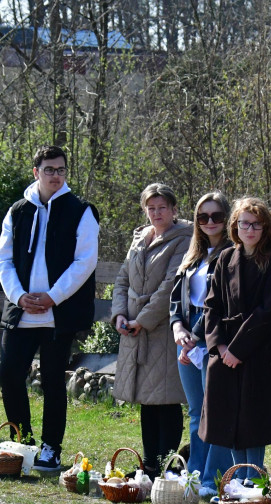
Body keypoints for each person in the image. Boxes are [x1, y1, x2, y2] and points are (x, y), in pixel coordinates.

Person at [0, 145, 99, 471]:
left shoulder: (81, 210)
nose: (56, 175)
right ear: (36, 172)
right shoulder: (18, 211)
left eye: (61, 169)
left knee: (54, 380)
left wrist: (54, 296)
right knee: (9, 373)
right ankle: (22, 442)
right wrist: (18, 295)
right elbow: (3, 258)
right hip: (22, 309)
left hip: (58, 313)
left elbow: (86, 260)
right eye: (50, 169)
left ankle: (51, 448)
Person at [199, 197, 271, 482]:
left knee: (254, 419)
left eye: (256, 224)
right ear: (235, 225)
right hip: (224, 351)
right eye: (243, 223)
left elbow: (268, 309)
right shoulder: (226, 257)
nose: (249, 230)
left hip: (257, 350)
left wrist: (238, 349)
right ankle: (238, 477)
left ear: (266, 227)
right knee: (229, 420)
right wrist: (221, 346)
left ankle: (256, 479)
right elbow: (211, 306)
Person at [111, 183, 193, 478]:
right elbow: (122, 279)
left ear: (173, 209)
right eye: (151, 207)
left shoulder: (184, 239)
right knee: (147, 399)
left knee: (166, 399)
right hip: (134, 329)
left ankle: (168, 465)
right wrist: (120, 314)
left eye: (162, 207)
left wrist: (142, 320)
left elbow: (170, 286)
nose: (156, 213)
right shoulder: (139, 239)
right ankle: (149, 464)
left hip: (162, 329)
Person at [170, 191, 234, 495]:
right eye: (203, 216)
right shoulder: (193, 253)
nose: (210, 222)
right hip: (187, 335)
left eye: (217, 216)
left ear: (227, 218)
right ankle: (194, 475)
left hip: (211, 335)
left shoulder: (231, 254)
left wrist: (193, 338)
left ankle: (212, 479)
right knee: (196, 412)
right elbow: (176, 297)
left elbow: (217, 304)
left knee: (216, 412)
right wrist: (176, 327)